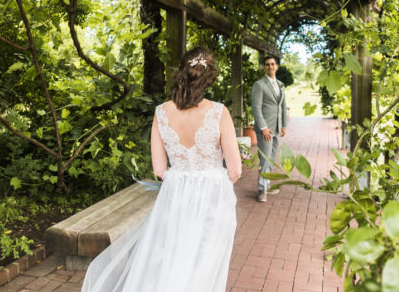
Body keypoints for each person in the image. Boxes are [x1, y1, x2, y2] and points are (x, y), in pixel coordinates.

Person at [81, 46, 242, 292]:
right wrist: (209, 179)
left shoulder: (161, 112)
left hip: (174, 194)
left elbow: (159, 169)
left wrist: (181, 177)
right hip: (212, 196)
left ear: (182, 72)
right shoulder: (219, 112)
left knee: (170, 257)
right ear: (209, 78)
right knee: (203, 263)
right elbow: (235, 170)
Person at [251, 54, 288, 202]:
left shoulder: (281, 85)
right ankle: (262, 190)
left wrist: (284, 125)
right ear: (264, 67)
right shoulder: (259, 85)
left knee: (272, 159)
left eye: (272, 64)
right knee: (264, 159)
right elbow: (256, 108)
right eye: (267, 64)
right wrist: (263, 127)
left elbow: (283, 106)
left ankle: (267, 184)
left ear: (276, 66)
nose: (270, 67)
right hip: (265, 129)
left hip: (277, 128)